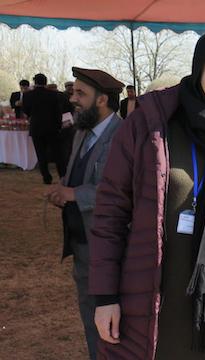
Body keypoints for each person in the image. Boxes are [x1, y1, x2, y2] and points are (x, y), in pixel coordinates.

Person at [89, 26, 205, 359]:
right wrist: (105, 297)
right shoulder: (151, 123)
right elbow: (110, 212)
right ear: (199, 64)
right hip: (151, 302)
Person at [46, 67, 125, 360]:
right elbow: (76, 174)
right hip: (82, 244)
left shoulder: (123, 135)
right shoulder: (82, 132)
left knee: (112, 321)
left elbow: (120, 190)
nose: (73, 99)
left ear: (102, 99)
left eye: (81, 93)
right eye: (73, 92)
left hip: (108, 247)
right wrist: (63, 189)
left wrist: (74, 194)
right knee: (91, 315)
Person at [22, 73, 64, 184]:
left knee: (41, 154)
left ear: (35, 82)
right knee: (57, 154)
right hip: (52, 128)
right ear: (45, 82)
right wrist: (59, 126)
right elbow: (58, 112)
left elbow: (26, 111)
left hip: (36, 127)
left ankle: (46, 177)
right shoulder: (53, 95)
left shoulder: (27, 95)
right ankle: (62, 176)